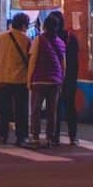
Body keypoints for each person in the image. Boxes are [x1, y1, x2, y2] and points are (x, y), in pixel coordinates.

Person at [27, 14, 66, 148]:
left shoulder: (38, 40)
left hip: (39, 80)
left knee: (36, 109)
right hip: (55, 81)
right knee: (52, 111)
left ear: (44, 26)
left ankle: (35, 136)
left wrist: (29, 79)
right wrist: (61, 79)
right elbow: (63, 64)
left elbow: (33, 60)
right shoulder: (61, 42)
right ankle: (50, 138)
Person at [0, 13, 31, 146]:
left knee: (3, 110)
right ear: (23, 25)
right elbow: (29, 58)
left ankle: (2, 136)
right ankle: (21, 137)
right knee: (21, 110)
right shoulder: (26, 39)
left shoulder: (1, 37)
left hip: (1, 78)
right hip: (19, 79)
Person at [50, 10, 80, 146]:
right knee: (70, 108)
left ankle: (54, 136)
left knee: (54, 107)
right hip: (69, 79)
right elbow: (75, 61)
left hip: (54, 77)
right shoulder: (71, 38)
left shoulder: (49, 38)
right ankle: (73, 136)